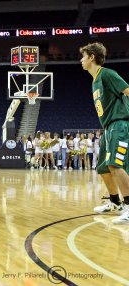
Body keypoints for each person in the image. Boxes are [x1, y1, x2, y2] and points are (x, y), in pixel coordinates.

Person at [80, 42, 129, 224]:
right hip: (108, 127)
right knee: (103, 167)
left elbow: (127, 91)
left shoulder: (108, 74)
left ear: (92, 57)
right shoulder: (95, 81)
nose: (81, 60)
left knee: (115, 165)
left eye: (83, 56)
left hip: (119, 124)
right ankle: (115, 201)